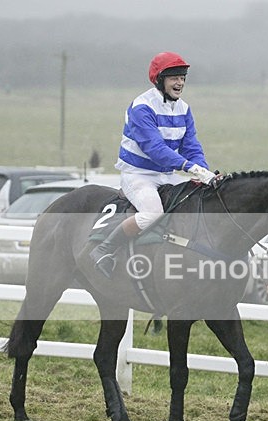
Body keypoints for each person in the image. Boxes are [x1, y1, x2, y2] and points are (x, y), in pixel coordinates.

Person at [90, 51, 216, 278]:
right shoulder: (142, 108)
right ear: (160, 80)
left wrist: (202, 171)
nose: (179, 83)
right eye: (174, 78)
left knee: (197, 202)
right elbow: (155, 149)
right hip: (138, 174)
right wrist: (190, 167)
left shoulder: (184, 109)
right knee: (153, 213)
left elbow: (191, 146)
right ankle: (105, 249)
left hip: (167, 174)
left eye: (182, 77)